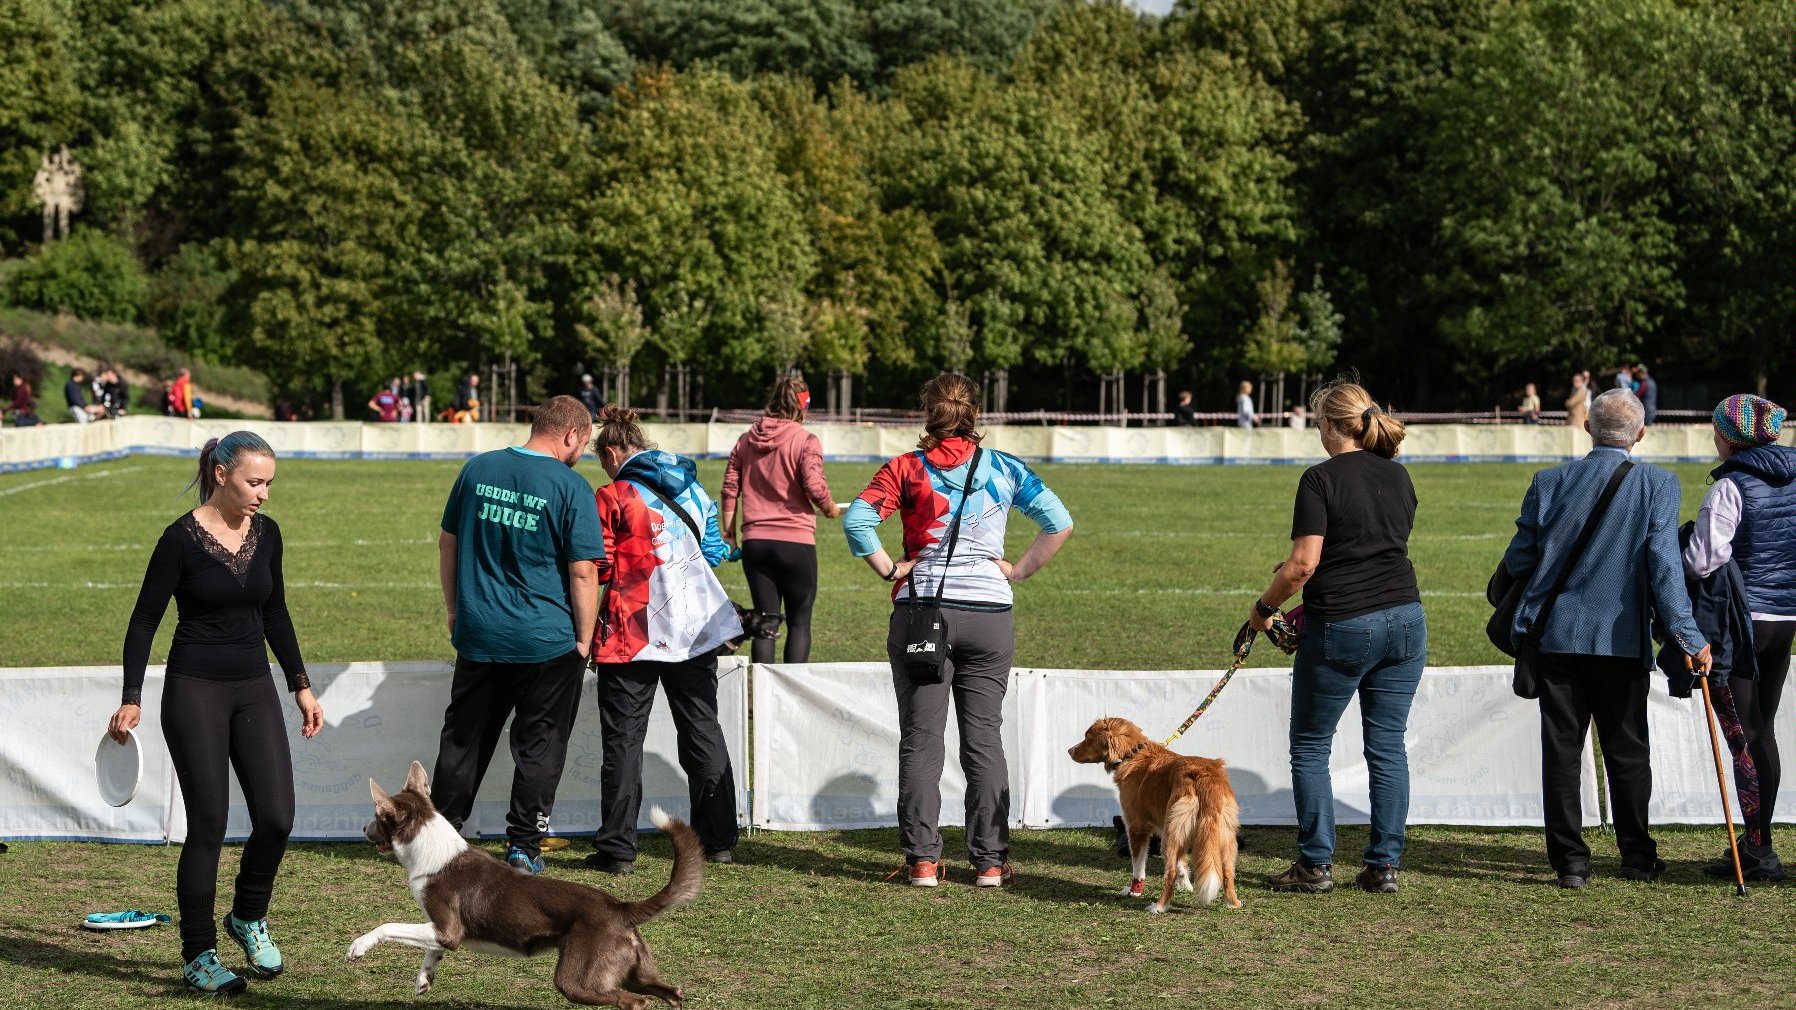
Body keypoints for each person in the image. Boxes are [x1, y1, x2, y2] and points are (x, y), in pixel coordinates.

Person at [106, 432, 324, 994]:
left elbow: (276, 612)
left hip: (253, 686)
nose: (264, 494)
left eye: (269, 483)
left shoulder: (268, 535)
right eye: (255, 482)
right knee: (208, 823)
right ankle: (198, 954)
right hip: (194, 689)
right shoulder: (178, 539)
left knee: (277, 817)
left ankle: (248, 915)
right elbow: (143, 622)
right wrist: (132, 696)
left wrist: (300, 685)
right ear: (222, 474)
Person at [842, 372, 1073, 887]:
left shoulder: (904, 467)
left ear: (927, 413)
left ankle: (923, 861)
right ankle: (990, 862)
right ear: (974, 413)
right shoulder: (1005, 467)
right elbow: (1058, 522)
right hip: (990, 615)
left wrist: (889, 568)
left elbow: (857, 520)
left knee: (922, 741)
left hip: (924, 613)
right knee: (984, 739)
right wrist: (1017, 570)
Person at [1500, 389, 1710, 889]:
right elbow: (1664, 569)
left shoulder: (1549, 481)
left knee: (1562, 751)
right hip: (1619, 639)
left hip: (1557, 636)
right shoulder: (1657, 484)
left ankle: (1570, 861)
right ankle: (1636, 854)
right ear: (1640, 434)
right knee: (1628, 750)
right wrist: (1687, 635)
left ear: (1589, 429)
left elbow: (1518, 559)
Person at [1249, 378, 1426, 896]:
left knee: (1309, 746)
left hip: (1345, 625)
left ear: (1328, 425)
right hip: (1406, 618)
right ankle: (1384, 866)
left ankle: (1315, 863)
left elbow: (1304, 564)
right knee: (1388, 746)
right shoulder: (1399, 476)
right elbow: (1370, 547)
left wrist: (1264, 608)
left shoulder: (1318, 478)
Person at [432, 395, 602, 875]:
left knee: (465, 738)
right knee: (541, 743)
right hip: (547, 641)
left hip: (480, 630)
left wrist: (454, 609)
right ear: (571, 435)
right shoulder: (571, 486)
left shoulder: (477, 469)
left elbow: (448, 541)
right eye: (583, 443)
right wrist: (584, 640)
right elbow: (584, 572)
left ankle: (441, 833)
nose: (581, 452)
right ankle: (524, 845)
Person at [585, 406, 743, 874]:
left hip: (631, 633)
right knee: (702, 730)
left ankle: (617, 850)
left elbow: (600, 565)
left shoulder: (613, 495)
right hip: (694, 630)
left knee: (623, 743)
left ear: (612, 452)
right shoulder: (692, 490)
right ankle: (718, 841)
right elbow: (714, 551)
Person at [1683, 394, 1795, 881]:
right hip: (1786, 618)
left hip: (1742, 622)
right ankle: (1759, 843)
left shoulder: (1732, 485)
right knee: (1761, 729)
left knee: (1745, 737)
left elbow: (1703, 559)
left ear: (1728, 437)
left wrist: (1680, 542)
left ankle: (1757, 850)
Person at [720, 377, 839, 665]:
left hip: (755, 543)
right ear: (803, 406)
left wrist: (730, 535)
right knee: (799, 623)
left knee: (765, 622)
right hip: (795, 542)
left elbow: (729, 488)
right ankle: (788, 703)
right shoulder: (805, 440)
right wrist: (829, 507)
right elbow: (814, 486)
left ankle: (762, 702)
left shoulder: (746, 439)